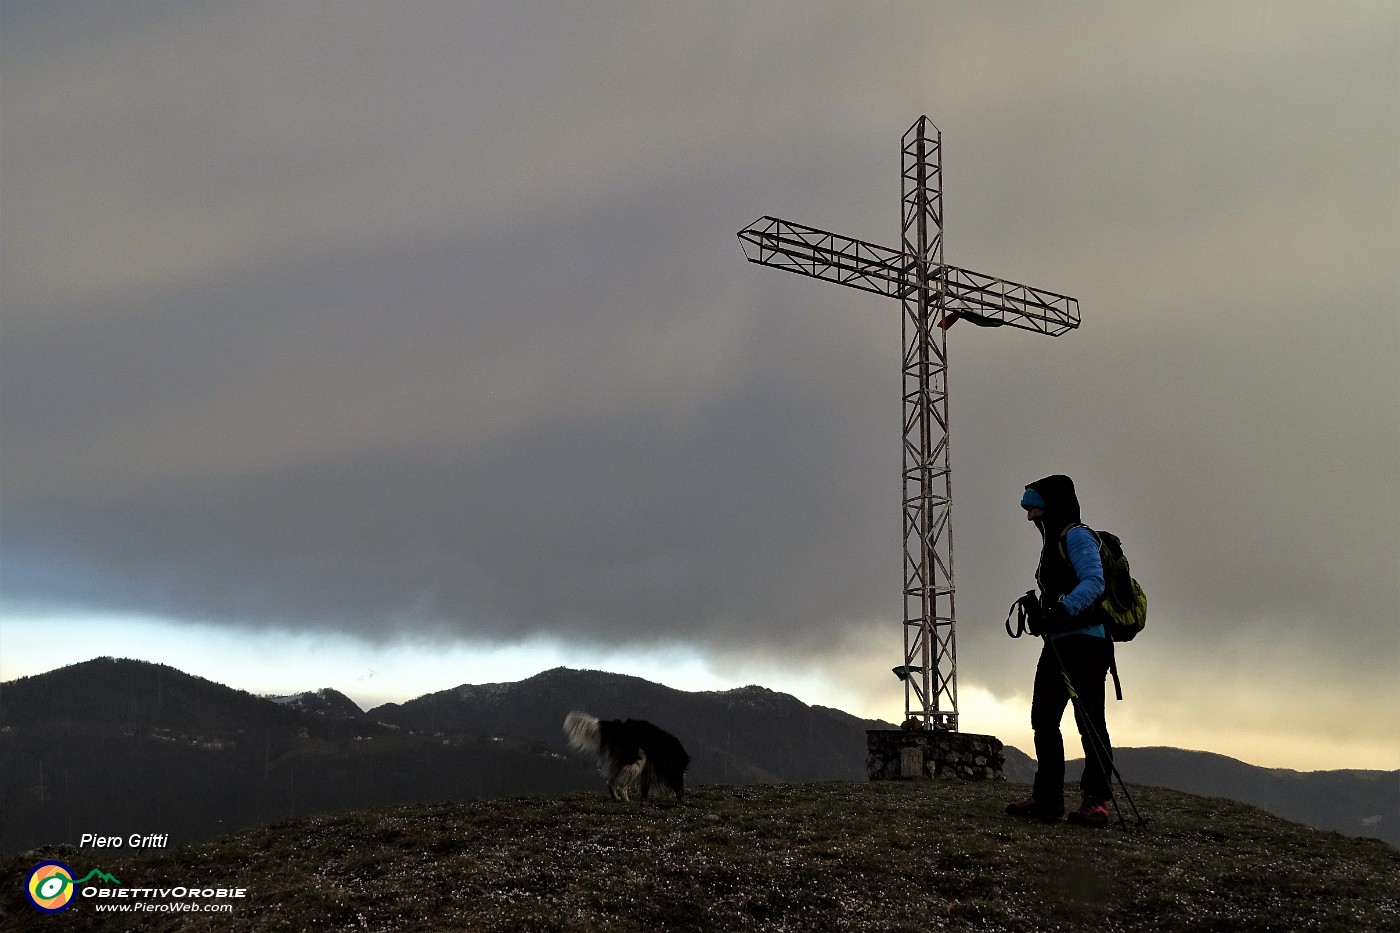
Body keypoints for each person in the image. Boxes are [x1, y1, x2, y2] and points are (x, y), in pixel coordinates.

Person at [1006, 474, 1116, 827]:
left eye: (1034, 508)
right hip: (1060, 642)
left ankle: (1096, 802)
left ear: (1051, 504)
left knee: (1089, 723)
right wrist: (1046, 614)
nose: (1030, 518)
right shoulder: (1054, 540)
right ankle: (1049, 799)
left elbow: (1094, 582)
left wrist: (1060, 610)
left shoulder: (1077, 536)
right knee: (1044, 719)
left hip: (1085, 641)